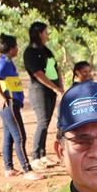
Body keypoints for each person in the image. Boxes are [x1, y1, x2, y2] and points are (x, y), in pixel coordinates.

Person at [0, 34, 43, 180]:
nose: (18, 49)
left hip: (12, 104)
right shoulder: (3, 62)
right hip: (9, 105)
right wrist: (1, 96)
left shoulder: (7, 62)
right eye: (16, 46)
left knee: (9, 137)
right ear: (12, 49)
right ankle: (27, 170)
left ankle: (9, 168)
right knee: (20, 137)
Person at [23, 21, 64, 169]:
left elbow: (56, 68)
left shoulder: (46, 51)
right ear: (39, 33)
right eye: (46, 32)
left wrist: (60, 87)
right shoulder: (30, 52)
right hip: (39, 91)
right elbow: (38, 74)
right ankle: (35, 157)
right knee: (43, 122)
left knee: (46, 122)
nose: (47, 35)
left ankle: (43, 155)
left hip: (51, 91)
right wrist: (54, 87)